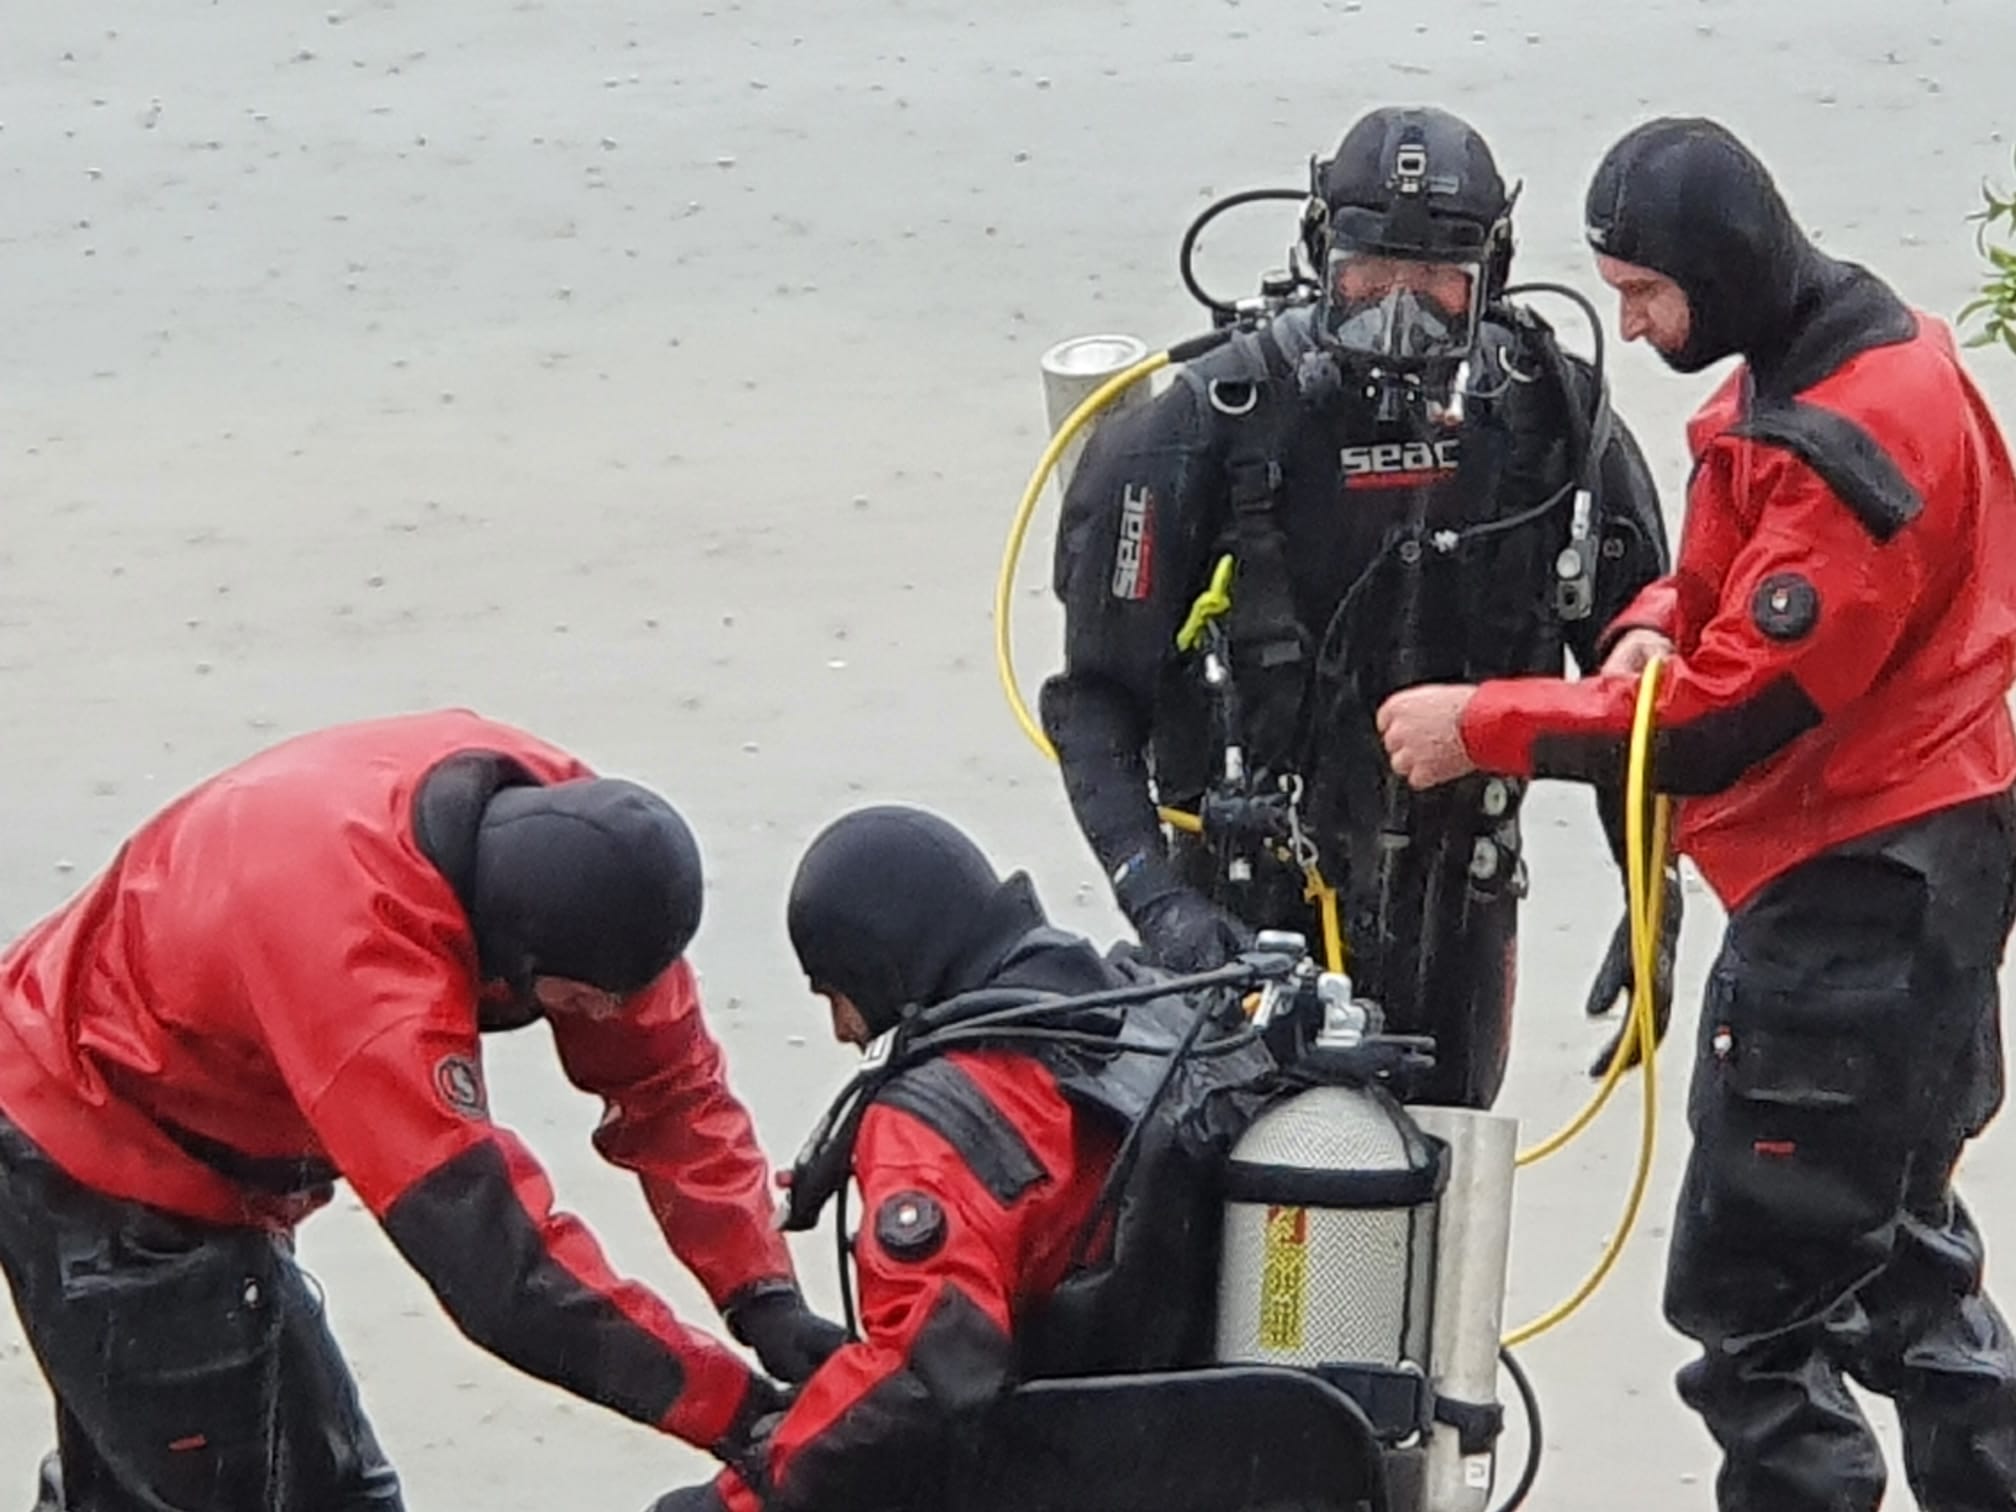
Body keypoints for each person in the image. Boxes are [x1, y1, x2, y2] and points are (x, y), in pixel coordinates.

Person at [1376, 116, 2016, 1512]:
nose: (1631, 323)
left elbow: (1722, 728)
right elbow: (1751, 581)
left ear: (1718, 274)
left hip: (1854, 906)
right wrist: (1659, 616)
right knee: (1898, 1258)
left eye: (1645, 294)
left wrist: (1481, 722)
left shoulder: (1851, 443)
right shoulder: (1859, 347)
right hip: (1938, 867)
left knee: (1754, 1315)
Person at [0, 708, 844, 1512]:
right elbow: (498, 1266)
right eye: (587, 1002)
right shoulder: (362, 971)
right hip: (94, 1144)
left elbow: (670, 1087)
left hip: (188, 1104)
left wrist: (761, 1293)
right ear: (512, 963)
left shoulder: (588, 846)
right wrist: (737, 1413)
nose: (608, 1017)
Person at [1041, 103, 1677, 1110]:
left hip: (1455, 911)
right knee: (1223, 1195)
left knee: (1441, 1180)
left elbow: (1636, 684)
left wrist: (1651, 895)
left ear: (1492, 275)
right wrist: (1161, 909)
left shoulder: (1554, 423)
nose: (1399, 312)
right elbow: (1092, 705)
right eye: (1369, 279)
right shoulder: (1200, 427)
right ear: (1318, 254)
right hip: (1234, 918)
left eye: (1435, 285)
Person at [648, 803, 1273, 1512]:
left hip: (1067, 1467)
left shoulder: (932, 1125)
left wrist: (741, 1495)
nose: (842, 1029)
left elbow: (924, 1370)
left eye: (836, 994)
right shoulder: (1134, 1011)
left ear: (882, 964)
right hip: (1196, 1434)